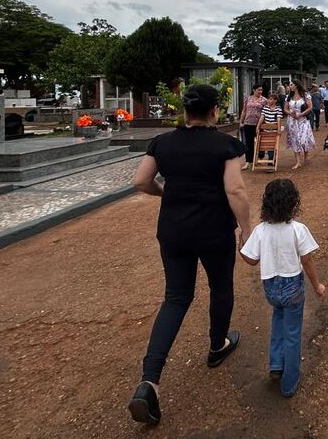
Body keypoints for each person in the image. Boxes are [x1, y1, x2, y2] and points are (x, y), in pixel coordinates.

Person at [128, 85, 251, 425]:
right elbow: (235, 189)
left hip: (173, 231)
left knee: (176, 298)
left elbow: (141, 181)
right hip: (214, 230)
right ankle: (217, 345)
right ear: (215, 111)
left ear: (185, 111)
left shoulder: (163, 143)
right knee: (220, 287)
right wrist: (247, 228)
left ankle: (149, 380)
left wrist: (165, 192)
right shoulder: (226, 145)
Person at [240, 179, 326, 398]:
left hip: (271, 289)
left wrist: (240, 244)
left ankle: (276, 365)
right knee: (293, 333)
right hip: (293, 287)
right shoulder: (298, 229)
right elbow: (306, 260)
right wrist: (317, 285)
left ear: (266, 203)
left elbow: (250, 260)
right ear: (293, 203)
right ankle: (289, 383)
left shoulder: (260, 230)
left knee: (278, 319)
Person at [284, 80, 315, 171]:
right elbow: (285, 109)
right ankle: (298, 161)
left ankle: (306, 154)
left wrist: (300, 114)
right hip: (292, 121)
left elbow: (310, 107)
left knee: (303, 138)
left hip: (303, 120)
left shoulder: (305, 96)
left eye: (291, 85)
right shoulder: (288, 97)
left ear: (296, 86)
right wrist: (290, 113)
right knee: (295, 140)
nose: (290, 86)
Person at [239, 84, 267, 171]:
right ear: (254, 90)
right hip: (248, 123)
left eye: (261, 90)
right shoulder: (248, 99)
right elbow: (244, 110)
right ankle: (248, 161)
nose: (260, 92)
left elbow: (266, 112)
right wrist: (241, 121)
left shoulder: (264, 100)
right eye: (258, 90)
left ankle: (259, 157)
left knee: (260, 142)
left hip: (259, 124)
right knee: (248, 143)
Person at [256, 92, 284, 167]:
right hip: (265, 131)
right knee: (263, 145)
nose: (269, 100)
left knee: (271, 146)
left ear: (275, 100)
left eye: (271, 99)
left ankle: (270, 162)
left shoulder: (278, 108)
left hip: (273, 131)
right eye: (268, 99)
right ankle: (263, 158)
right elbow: (262, 117)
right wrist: (258, 126)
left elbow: (278, 119)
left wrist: (278, 129)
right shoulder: (265, 107)